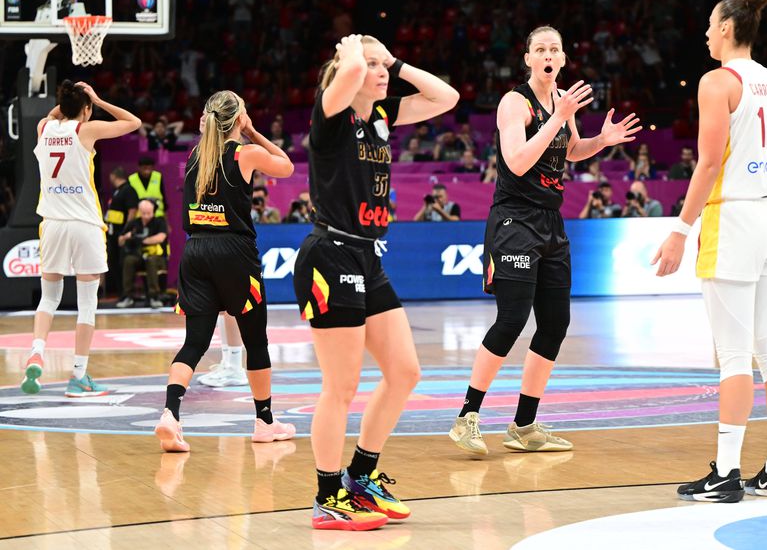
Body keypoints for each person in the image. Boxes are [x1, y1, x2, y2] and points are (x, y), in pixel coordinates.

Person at [652, 0, 767, 503]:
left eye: (711, 24)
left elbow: (709, 164)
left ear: (728, 27)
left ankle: (726, 472)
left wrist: (679, 230)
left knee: (733, 355)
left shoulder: (717, 82)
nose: (707, 33)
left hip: (734, 218)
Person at [449, 26, 640, 457]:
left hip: (551, 222)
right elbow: (517, 162)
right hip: (514, 219)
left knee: (555, 324)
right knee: (512, 319)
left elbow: (570, 150)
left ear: (563, 58)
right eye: (541, 49)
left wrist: (601, 141)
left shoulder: (562, 102)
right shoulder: (514, 102)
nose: (549, 54)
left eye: (555, 48)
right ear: (529, 59)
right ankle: (467, 416)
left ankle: (524, 424)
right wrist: (558, 116)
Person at [294, 33, 458, 530]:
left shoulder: (382, 115)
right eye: (372, 64)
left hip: (367, 256)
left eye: (382, 64)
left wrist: (395, 61)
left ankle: (361, 477)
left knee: (405, 372)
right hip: (330, 255)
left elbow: (446, 97)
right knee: (341, 386)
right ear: (347, 69)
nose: (380, 71)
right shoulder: (331, 114)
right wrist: (350, 51)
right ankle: (327, 497)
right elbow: (346, 75)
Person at [153, 90, 297, 453]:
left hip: (195, 251)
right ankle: (265, 421)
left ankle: (170, 414)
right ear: (238, 119)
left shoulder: (195, 155)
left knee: (194, 343)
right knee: (256, 342)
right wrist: (254, 132)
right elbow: (286, 166)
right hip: (234, 253)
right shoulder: (245, 153)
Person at [21, 80, 141, 397]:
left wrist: (71, 101)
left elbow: (54, 114)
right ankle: (78, 376)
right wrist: (97, 100)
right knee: (87, 304)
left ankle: (36, 351)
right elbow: (133, 122)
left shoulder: (44, 127)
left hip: (53, 224)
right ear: (86, 110)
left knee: (49, 298)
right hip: (85, 225)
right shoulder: (85, 131)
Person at [117, 199, 168, 309]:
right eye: (144, 213)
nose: (146, 216)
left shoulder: (159, 222)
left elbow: (161, 237)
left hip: (156, 256)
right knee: (129, 260)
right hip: (138, 255)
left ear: (153, 211)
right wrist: (126, 237)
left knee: (151, 260)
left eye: (149, 213)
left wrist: (142, 240)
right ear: (139, 212)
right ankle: (128, 296)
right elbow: (120, 241)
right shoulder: (134, 223)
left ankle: (154, 297)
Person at [103, 167, 139, 296]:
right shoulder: (117, 191)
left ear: (113, 176)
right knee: (113, 263)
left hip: (121, 235)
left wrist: (125, 231)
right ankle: (120, 293)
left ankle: (126, 294)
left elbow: (132, 211)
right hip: (113, 234)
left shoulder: (128, 190)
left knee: (122, 264)